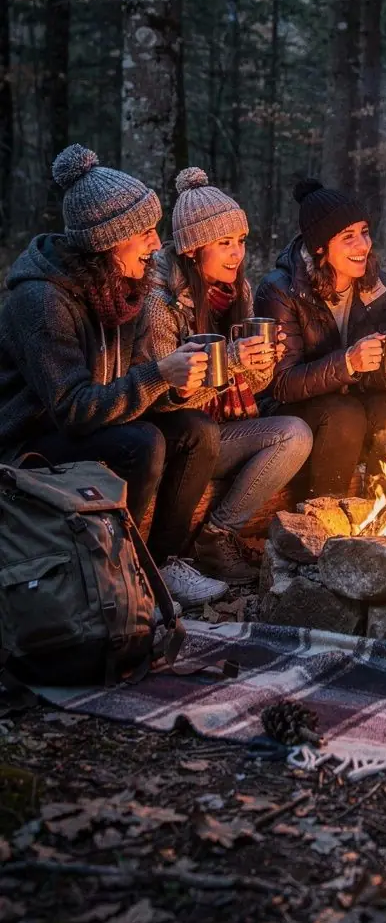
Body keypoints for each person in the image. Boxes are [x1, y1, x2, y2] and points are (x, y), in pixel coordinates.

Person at [0, 144, 226, 608]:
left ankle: (162, 564)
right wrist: (158, 374)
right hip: (28, 443)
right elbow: (75, 409)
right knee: (141, 443)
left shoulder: (127, 288)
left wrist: (176, 386)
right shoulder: (41, 301)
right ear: (107, 240)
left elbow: (139, 385)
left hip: (96, 418)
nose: (154, 244)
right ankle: (116, 576)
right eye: (144, 232)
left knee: (197, 432)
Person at [135, 168, 313, 584]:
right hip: (181, 442)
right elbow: (164, 400)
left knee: (296, 433)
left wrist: (264, 361)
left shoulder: (239, 292)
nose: (237, 254)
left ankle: (218, 532)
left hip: (227, 430)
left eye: (240, 242)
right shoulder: (160, 304)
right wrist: (232, 361)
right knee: (206, 432)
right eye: (224, 243)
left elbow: (256, 386)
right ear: (194, 249)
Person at [254, 179, 386, 497]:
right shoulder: (281, 290)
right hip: (288, 408)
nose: (363, 245)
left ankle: (384, 516)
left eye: (364, 232)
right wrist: (347, 362)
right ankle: (322, 517)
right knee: (345, 415)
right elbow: (279, 384)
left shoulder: (378, 286)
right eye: (348, 237)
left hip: (349, 400)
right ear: (320, 246)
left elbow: (378, 384)